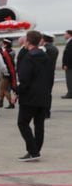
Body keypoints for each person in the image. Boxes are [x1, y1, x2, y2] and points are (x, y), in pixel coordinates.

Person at [16, 30, 54, 162]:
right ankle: (36, 150)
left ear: (28, 41)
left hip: (29, 97)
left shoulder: (28, 58)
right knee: (39, 124)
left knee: (22, 123)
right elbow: (50, 77)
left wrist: (18, 91)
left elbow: (24, 79)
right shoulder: (46, 57)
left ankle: (33, 150)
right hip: (43, 95)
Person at [41, 33, 59, 117]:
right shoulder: (54, 48)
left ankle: (44, 112)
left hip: (43, 74)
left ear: (44, 39)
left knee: (43, 93)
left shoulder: (45, 49)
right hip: (51, 73)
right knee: (48, 93)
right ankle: (47, 112)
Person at [0, 39, 17, 109]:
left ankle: (11, 103)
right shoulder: (12, 51)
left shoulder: (6, 53)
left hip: (6, 72)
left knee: (4, 89)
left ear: (5, 44)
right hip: (11, 72)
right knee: (4, 88)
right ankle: (0, 101)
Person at [61, 30, 72, 98]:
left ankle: (70, 94)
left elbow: (69, 55)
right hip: (69, 65)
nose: (64, 35)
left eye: (65, 34)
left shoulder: (71, 43)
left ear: (69, 35)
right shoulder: (69, 42)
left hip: (69, 65)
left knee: (70, 80)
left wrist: (66, 64)